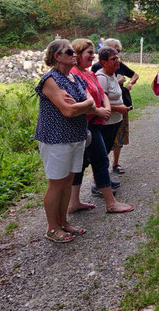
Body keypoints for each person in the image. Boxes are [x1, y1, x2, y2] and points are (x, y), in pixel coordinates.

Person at [35, 39, 96, 243]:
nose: (74, 55)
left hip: (76, 137)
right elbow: (68, 110)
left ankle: (63, 222)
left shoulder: (75, 79)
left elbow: (92, 104)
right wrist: (84, 104)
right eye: (69, 52)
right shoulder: (50, 79)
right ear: (57, 56)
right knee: (57, 183)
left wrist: (84, 103)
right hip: (56, 139)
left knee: (68, 181)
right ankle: (52, 228)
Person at [68, 39, 133, 214]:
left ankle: (73, 203)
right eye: (89, 52)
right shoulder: (75, 74)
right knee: (100, 160)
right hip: (87, 124)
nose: (93, 56)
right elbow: (83, 99)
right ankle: (110, 203)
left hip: (93, 123)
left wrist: (104, 107)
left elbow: (101, 93)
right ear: (78, 54)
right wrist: (99, 111)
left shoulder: (88, 73)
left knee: (81, 163)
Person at [92, 38, 139, 175]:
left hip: (120, 106)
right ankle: (102, 174)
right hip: (108, 113)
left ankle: (114, 164)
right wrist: (118, 82)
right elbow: (100, 96)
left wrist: (130, 84)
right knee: (105, 143)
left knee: (118, 137)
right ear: (104, 60)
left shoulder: (116, 66)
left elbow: (135, 74)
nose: (118, 58)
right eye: (114, 53)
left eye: (118, 53)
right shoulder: (99, 71)